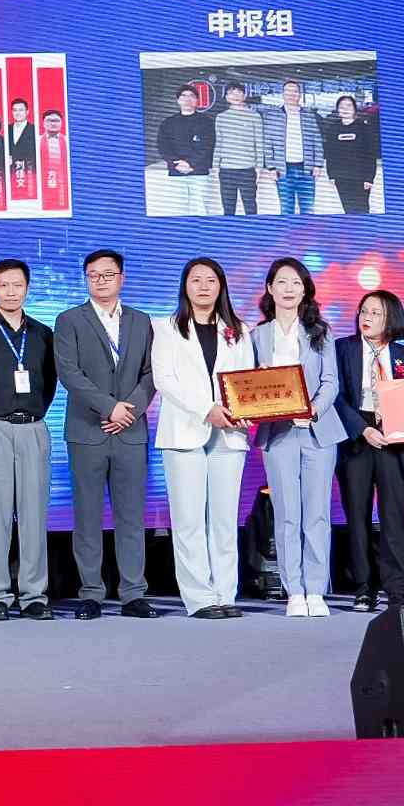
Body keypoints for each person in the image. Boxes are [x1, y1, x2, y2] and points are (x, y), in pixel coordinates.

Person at [54, 249, 156, 617]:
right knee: (87, 515)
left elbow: (152, 373)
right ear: (86, 279)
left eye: (108, 274)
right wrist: (108, 407)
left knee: (131, 515)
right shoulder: (69, 320)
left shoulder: (142, 321)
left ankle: (133, 592)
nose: (101, 280)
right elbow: (69, 373)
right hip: (87, 430)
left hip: (130, 430)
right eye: (93, 275)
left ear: (121, 278)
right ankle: (91, 593)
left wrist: (130, 410)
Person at [153, 258, 253, 616]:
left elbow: (246, 379)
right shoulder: (165, 328)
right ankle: (199, 598)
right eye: (196, 280)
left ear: (221, 286)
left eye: (211, 280)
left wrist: (243, 410)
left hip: (230, 433)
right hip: (183, 431)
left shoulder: (238, 330)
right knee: (189, 520)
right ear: (185, 286)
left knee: (224, 520)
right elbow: (164, 380)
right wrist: (206, 409)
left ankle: (225, 593)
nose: (204, 286)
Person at [251, 258, 345, 618]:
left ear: (305, 290)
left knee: (317, 514)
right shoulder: (257, 335)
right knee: (287, 514)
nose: (289, 289)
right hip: (278, 434)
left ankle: (316, 589)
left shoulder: (320, 332)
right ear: (270, 288)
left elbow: (331, 382)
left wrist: (313, 410)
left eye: (296, 282)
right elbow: (248, 383)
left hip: (318, 431)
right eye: (282, 282)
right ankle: (294, 591)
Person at [0, 258, 55, 620]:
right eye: (3, 285)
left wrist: (33, 413)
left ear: (27, 288)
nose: (11, 292)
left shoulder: (43, 333)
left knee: (34, 514)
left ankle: (34, 594)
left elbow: (49, 383)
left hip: (33, 428)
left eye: (18, 285)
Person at [337, 291, 404, 616]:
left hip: (394, 439)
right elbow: (337, 396)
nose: (366, 318)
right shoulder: (343, 348)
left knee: (393, 518)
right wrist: (363, 429)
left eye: (376, 313)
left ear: (391, 318)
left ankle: (396, 589)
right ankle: (364, 588)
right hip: (357, 437)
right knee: (357, 517)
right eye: (363, 311)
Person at [157, 89, 216, 215]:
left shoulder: (207, 122)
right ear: (178, 100)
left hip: (199, 172)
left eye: (192, 96)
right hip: (176, 171)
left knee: (201, 208)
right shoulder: (168, 123)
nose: (188, 99)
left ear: (197, 100)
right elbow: (163, 146)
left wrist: (190, 163)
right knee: (179, 210)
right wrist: (176, 163)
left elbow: (208, 146)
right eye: (183, 96)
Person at [319, 94, 380, 215]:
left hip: (361, 178)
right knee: (348, 209)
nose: (345, 109)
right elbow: (330, 154)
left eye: (348, 106)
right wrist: (331, 175)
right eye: (342, 107)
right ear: (337, 110)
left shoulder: (364, 128)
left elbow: (371, 154)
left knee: (362, 209)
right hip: (341, 178)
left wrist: (369, 178)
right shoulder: (333, 129)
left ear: (354, 109)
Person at [210, 81, 264, 216]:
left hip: (248, 169)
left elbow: (259, 142)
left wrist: (259, 167)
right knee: (228, 209)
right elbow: (219, 142)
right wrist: (215, 166)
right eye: (231, 93)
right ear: (226, 97)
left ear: (244, 95)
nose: (235, 96)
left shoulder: (254, 116)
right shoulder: (221, 117)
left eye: (238, 92)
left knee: (250, 207)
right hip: (226, 170)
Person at [266, 80, 320, 216]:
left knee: (308, 210)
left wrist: (318, 165)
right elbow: (267, 143)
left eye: (295, 91)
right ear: (283, 94)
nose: (291, 94)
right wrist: (271, 168)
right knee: (286, 209)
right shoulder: (273, 116)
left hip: (306, 169)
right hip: (283, 170)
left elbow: (317, 140)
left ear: (299, 94)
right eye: (288, 91)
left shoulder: (308, 115)